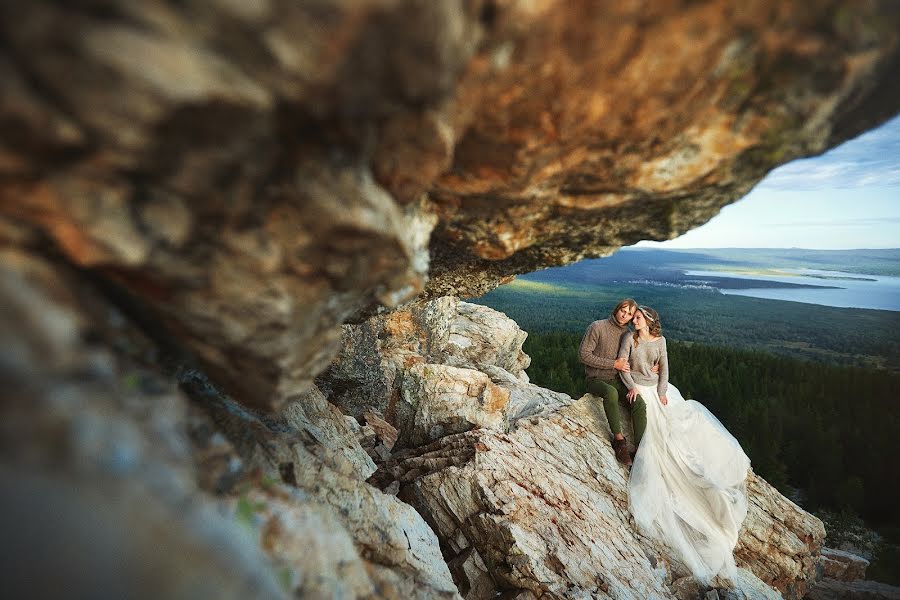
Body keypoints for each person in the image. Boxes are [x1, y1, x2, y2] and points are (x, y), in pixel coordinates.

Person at [618, 305, 751, 586]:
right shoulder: (629, 339)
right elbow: (623, 367)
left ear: (649, 321)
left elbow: (665, 369)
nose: (635, 320)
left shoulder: (660, 341)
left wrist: (663, 392)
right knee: (660, 442)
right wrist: (632, 387)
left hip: (657, 389)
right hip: (639, 389)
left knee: (683, 426)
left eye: (639, 317)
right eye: (635, 317)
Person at [579, 298, 647, 467]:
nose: (624, 315)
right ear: (617, 309)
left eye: (629, 314)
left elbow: (636, 359)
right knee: (611, 393)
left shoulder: (629, 335)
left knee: (638, 401)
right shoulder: (597, 327)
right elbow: (583, 355)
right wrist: (613, 364)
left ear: (632, 318)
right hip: (595, 379)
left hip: (618, 380)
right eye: (623, 311)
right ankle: (619, 440)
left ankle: (640, 447)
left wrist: (654, 369)